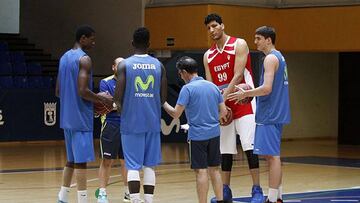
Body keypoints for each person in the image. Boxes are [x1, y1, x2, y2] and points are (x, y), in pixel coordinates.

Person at [203, 13, 264, 203]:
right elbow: (209, 84)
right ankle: (226, 190)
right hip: (223, 105)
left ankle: (257, 190)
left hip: (243, 102)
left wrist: (223, 97)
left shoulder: (239, 44)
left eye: (214, 26)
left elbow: (238, 75)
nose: (212, 30)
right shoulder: (208, 55)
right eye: (208, 28)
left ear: (222, 25)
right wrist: (219, 105)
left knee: (249, 147)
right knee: (225, 150)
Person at [228, 26, 291, 203]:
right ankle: (278, 196)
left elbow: (266, 88)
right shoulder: (280, 56)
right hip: (278, 112)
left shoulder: (270, 59)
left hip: (270, 113)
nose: (255, 42)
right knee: (274, 155)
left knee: (272, 157)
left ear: (268, 40)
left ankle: (272, 199)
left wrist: (245, 94)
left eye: (258, 38)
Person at [55, 25, 113, 203]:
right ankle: (83, 200)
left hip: (66, 117)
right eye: (92, 39)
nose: (94, 42)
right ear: (82, 39)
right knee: (80, 162)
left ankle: (63, 197)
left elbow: (58, 90)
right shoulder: (84, 59)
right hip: (80, 117)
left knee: (71, 161)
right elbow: (82, 91)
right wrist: (102, 99)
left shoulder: (64, 57)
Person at [113, 27, 167, 203]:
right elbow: (163, 97)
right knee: (149, 165)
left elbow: (118, 97)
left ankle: (135, 200)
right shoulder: (159, 66)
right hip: (152, 121)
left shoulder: (125, 65)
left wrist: (120, 106)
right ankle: (149, 200)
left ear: (132, 43)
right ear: (149, 44)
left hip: (131, 122)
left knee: (133, 165)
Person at [163, 56, 228, 203]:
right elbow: (224, 112)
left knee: (201, 171)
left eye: (180, 74)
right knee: (215, 169)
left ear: (185, 72)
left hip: (198, 135)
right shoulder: (212, 86)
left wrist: (163, 102)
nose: (180, 76)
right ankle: (220, 200)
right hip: (215, 133)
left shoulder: (187, 89)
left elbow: (175, 113)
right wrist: (211, 121)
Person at [97, 57, 130, 203]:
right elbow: (107, 103)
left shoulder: (131, 82)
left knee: (126, 161)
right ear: (113, 67)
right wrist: (120, 105)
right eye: (119, 65)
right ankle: (102, 193)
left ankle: (128, 192)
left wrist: (117, 104)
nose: (122, 67)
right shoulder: (105, 82)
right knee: (107, 161)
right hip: (110, 124)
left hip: (128, 125)